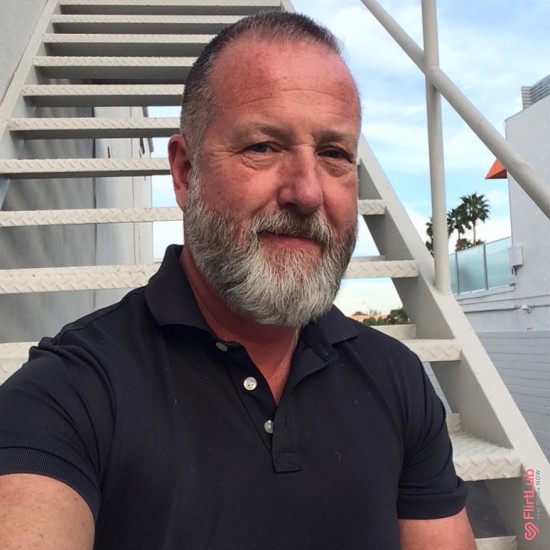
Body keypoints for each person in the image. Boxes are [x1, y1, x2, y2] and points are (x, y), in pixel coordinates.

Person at [0, 11, 476, 550]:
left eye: (333, 154)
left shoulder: (398, 380)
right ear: (185, 172)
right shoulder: (70, 395)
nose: (307, 192)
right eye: (263, 147)